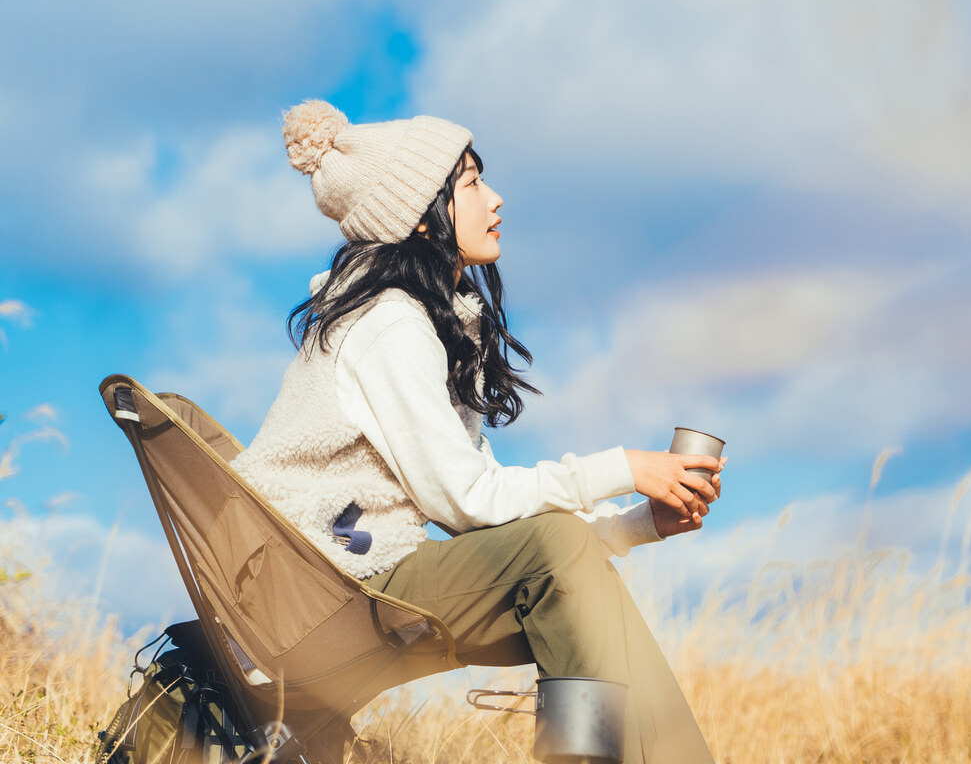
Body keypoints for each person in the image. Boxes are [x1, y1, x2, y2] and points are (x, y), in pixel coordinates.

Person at [231, 100, 725, 764]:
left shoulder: (421, 326)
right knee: (551, 549)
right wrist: (626, 467)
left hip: (347, 586)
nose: (494, 198)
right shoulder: (387, 327)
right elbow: (469, 501)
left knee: (559, 559)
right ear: (421, 218)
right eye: (469, 184)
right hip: (317, 600)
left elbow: (490, 521)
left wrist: (639, 525)